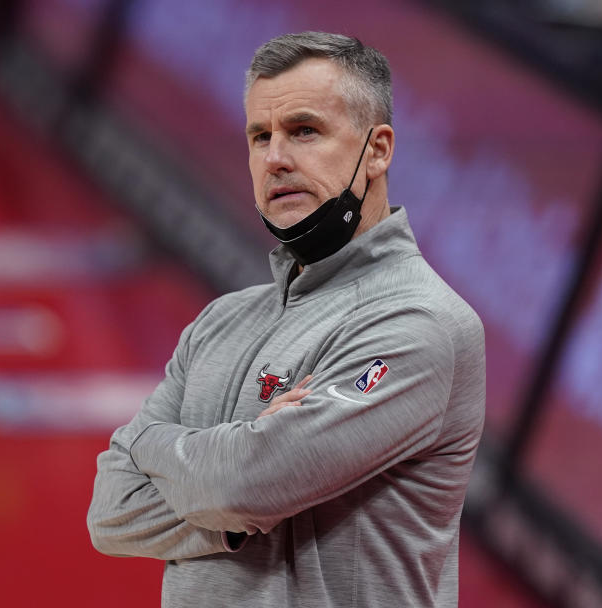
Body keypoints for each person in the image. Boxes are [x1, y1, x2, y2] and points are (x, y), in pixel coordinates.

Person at [87, 31, 486, 608]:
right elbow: (112, 512)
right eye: (259, 136)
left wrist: (148, 444)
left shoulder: (421, 324)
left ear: (377, 150)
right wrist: (238, 481)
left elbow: (244, 485)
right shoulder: (220, 321)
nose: (275, 158)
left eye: (304, 130)